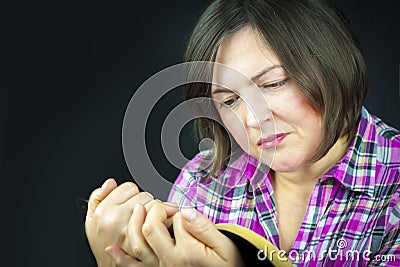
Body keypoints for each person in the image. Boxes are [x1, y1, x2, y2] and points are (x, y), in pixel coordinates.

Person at [85, 0, 400, 266]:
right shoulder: (202, 181)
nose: (252, 119)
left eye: (273, 83)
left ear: (334, 64)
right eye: (230, 100)